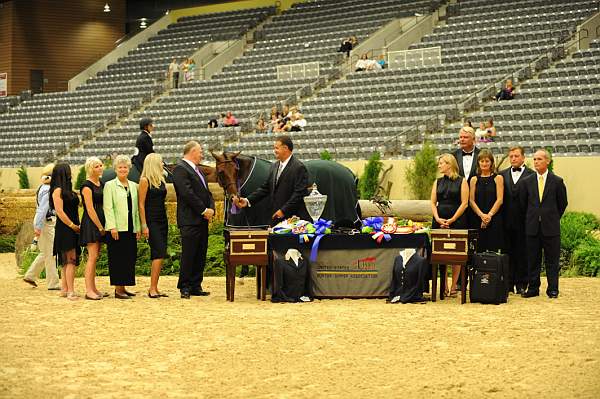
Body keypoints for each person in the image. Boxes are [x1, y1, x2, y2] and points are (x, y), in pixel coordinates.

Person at [520, 149, 568, 299]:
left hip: (551, 228)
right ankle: (533, 288)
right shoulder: (526, 182)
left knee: (552, 260)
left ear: (547, 161)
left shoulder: (557, 181)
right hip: (532, 227)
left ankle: (553, 289)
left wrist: (551, 217)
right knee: (532, 259)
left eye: (539, 159)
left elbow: (562, 204)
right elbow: (523, 204)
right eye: (534, 159)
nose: (536, 162)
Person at [172, 141, 215, 299]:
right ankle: (184, 285)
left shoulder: (198, 171)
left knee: (200, 253)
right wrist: (203, 210)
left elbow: (207, 193)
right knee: (189, 253)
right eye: (200, 151)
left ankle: (196, 284)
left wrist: (211, 209)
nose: (202, 154)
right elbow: (187, 193)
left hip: (202, 219)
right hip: (190, 219)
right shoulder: (180, 169)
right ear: (191, 151)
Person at [235, 135, 310, 225]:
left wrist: (283, 211)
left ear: (285, 148)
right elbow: (265, 188)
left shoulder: (299, 167)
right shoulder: (274, 166)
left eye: (276, 148)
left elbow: (299, 194)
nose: (274, 151)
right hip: (275, 218)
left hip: (293, 220)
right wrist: (248, 201)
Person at [430, 154, 469, 297]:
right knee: (440, 252)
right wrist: (438, 218)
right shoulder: (437, 181)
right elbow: (433, 202)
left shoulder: (462, 181)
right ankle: (443, 286)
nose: (439, 166)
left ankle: (454, 286)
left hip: (457, 219)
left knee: (456, 253)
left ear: (449, 164)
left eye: (441, 163)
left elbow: (464, 203)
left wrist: (452, 219)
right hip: (439, 219)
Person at [103, 155, 141, 299]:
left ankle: (124, 287)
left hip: (130, 227)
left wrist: (137, 227)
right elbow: (108, 208)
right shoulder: (109, 185)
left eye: (125, 167)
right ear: (115, 169)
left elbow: (136, 209)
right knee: (117, 258)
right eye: (120, 167)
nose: (123, 169)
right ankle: (118, 290)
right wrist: (112, 227)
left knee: (128, 258)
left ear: (129, 169)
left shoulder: (133, 185)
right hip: (117, 229)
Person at [499, 146, 535, 294]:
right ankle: (508, 283)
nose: (513, 158)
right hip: (506, 223)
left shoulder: (531, 175)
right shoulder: (501, 175)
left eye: (516, 156)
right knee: (507, 253)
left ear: (523, 157)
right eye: (511, 156)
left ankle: (522, 283)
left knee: (523, 253)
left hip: (524, 222)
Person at [23, 163, 60, 290]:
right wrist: (38, 227)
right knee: (51, 253)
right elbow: (42, 210)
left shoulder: (42, 187)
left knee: (46, 252)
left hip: (44, 222)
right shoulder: (48, 190)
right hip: (46, 223)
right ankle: (53, 283)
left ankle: (30, 275)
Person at [139, 153, 169, 298]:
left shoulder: (161, 180)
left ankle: (155, 287)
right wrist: (144, 225)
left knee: (161, 253)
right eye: (161, 162)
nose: (163, 164)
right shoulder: (145, 181)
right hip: (151, 220)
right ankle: (152, 288)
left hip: (162, 219)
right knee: (158, 252)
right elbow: (141, 204)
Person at [49, 162, 81, 300]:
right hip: (66, 228)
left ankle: (64, 288)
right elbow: (60, 212)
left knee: (66, 260)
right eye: (69, 171)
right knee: (70, 260)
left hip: (71, 227)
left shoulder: (67, 190)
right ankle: (70, 291)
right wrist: (72, 225)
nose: (71, 174)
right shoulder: (57, 190)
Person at [79, 157, 107, 300]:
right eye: (97, 166)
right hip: (92, 223)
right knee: (92, 256)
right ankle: (89, 290)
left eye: (101, 165)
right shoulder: (86, 186)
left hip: (101, 221)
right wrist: (100, 226)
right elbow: (89, 209)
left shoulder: (101, 182)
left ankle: (94, 288)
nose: (100, 168)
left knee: (96, 257)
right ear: (90, 168)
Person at [469, 149, 505, 252]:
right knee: (478, 249)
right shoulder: (474, 179)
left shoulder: (498, 178)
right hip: (477, 218)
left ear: (491, 163)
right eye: (482, 161)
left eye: (487, 161)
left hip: (494, 218)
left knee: (493, 250)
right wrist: (482, 216)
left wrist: (489, 215)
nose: (484, 164)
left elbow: (500, 199)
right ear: (478, 163)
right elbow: (471, 201)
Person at [452, 125, 480, 229]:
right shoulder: (453, 156)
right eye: (460, 137)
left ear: (473, 139)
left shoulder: (482, 155)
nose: (462, 139)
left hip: (478, 203)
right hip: (457, 204)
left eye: (465, 137)